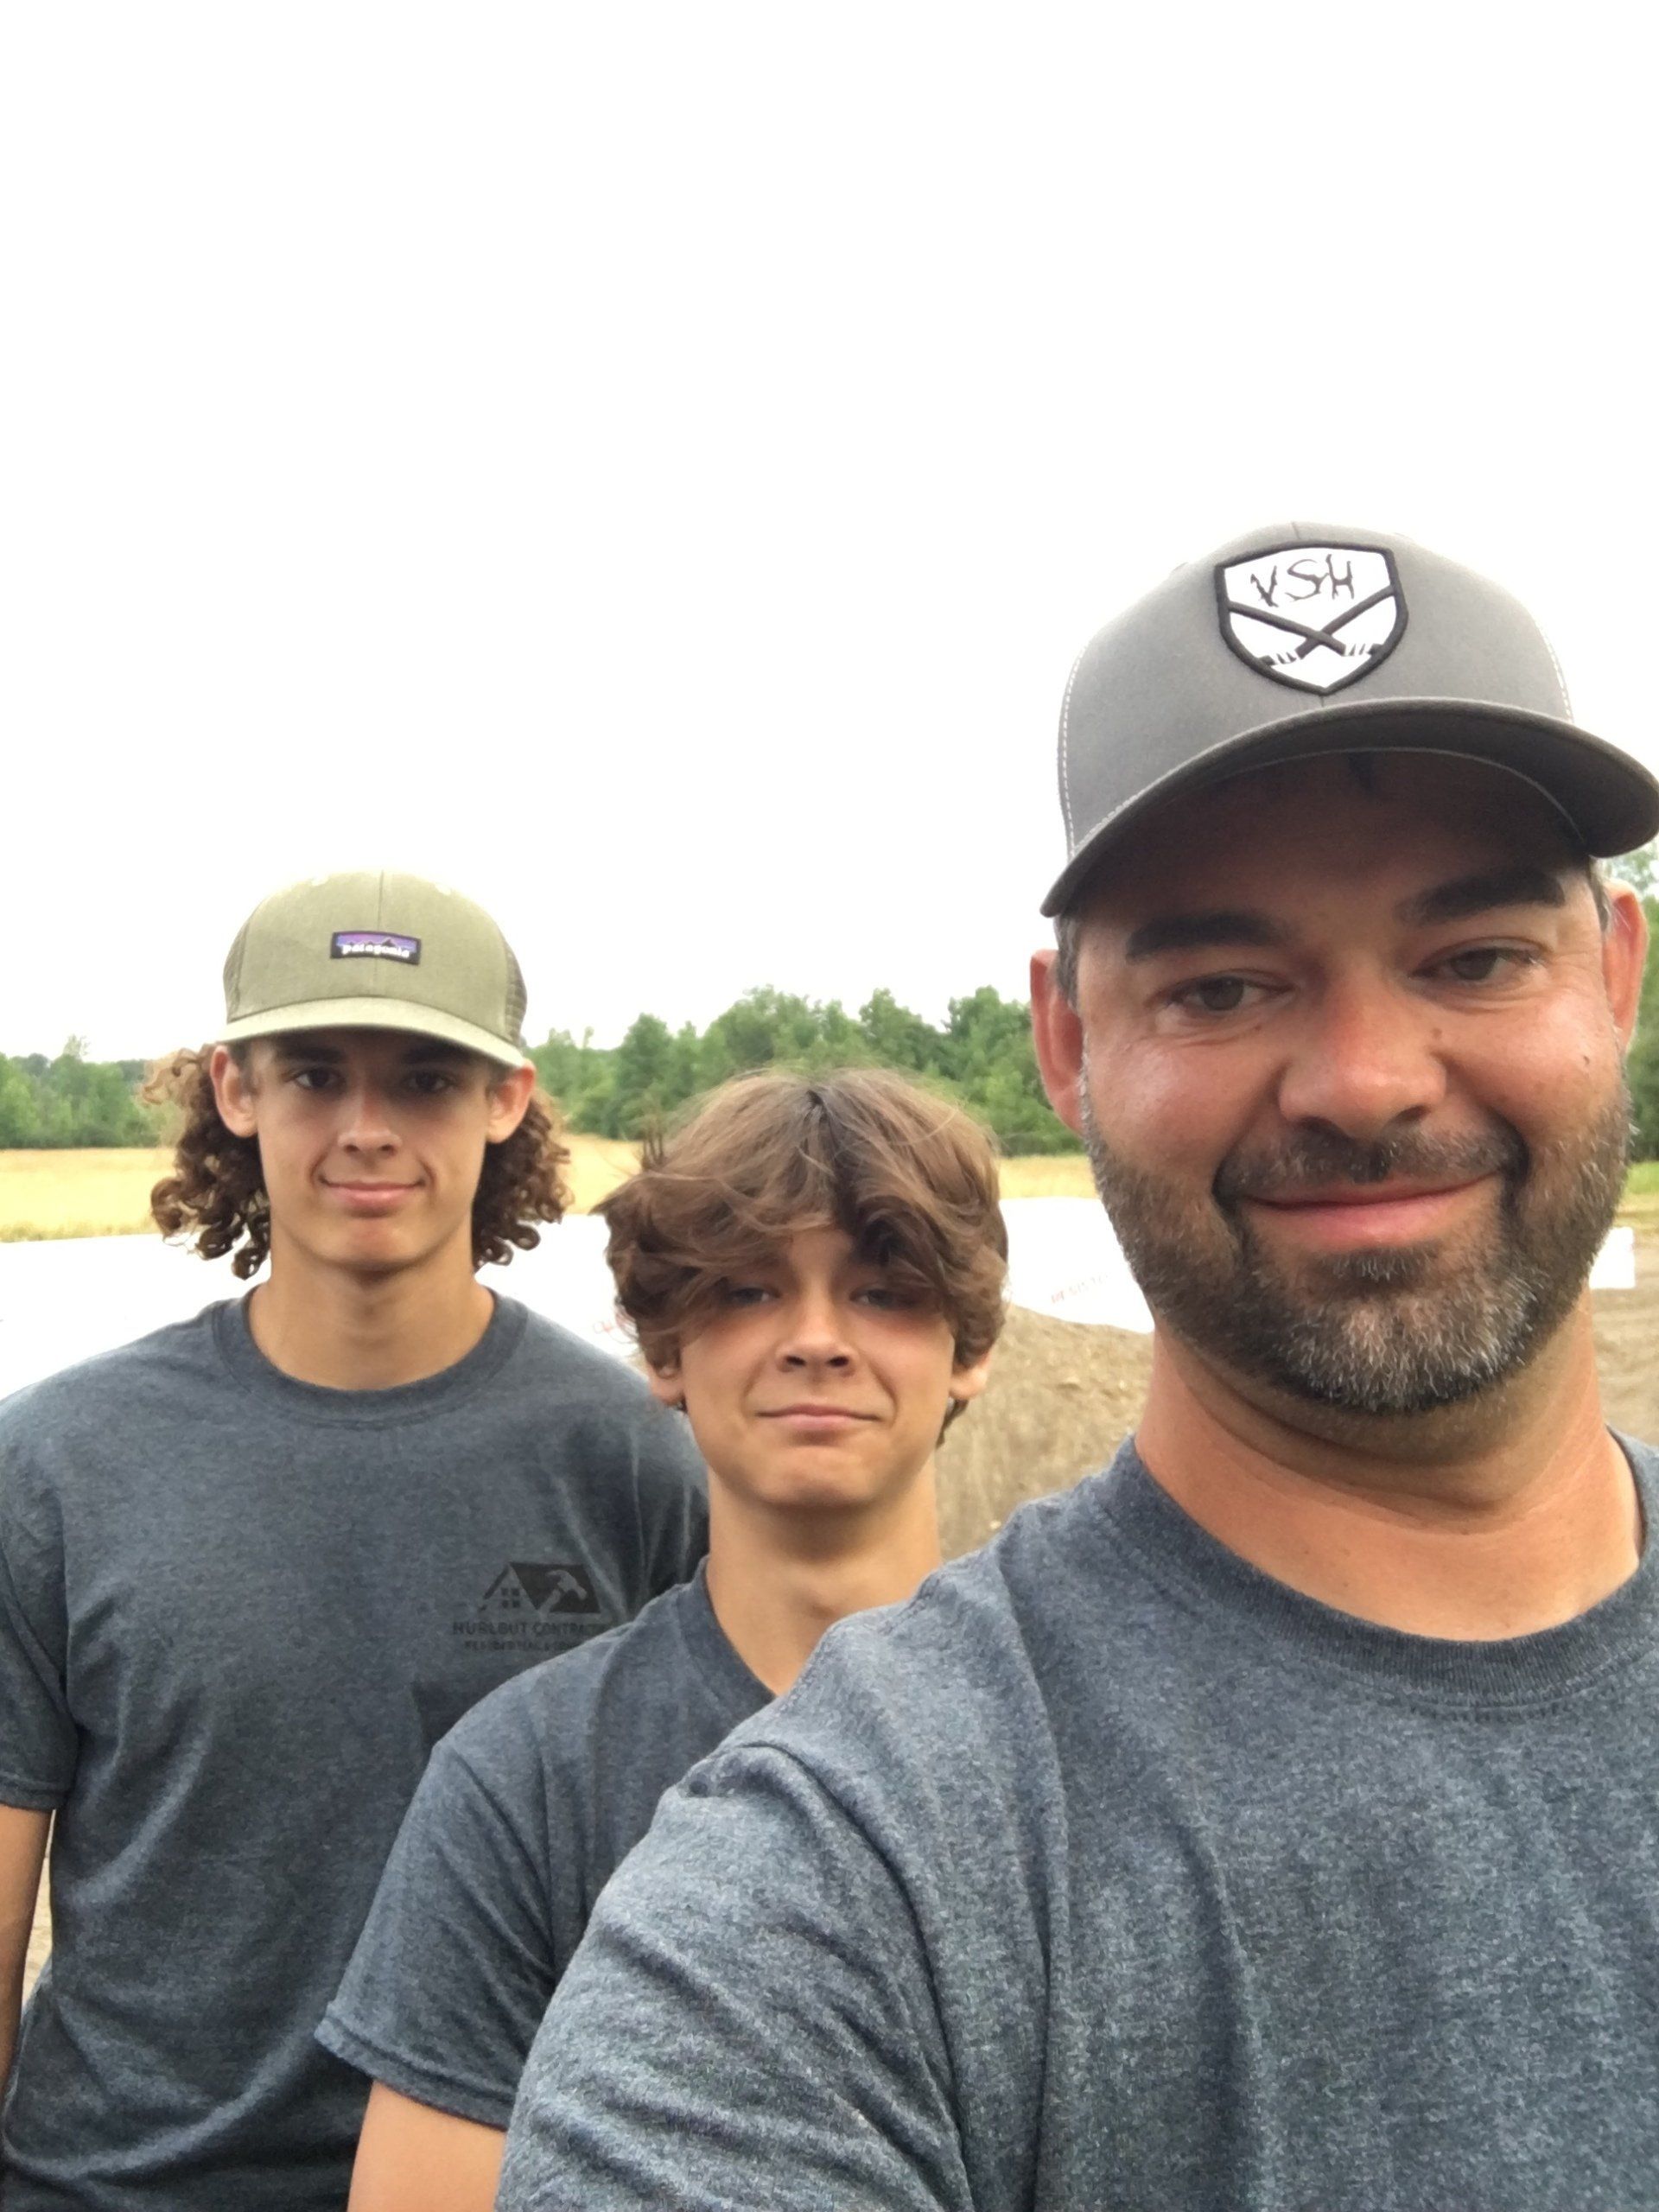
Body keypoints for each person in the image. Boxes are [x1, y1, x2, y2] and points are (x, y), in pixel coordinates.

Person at [496, 526, 1659, 2211]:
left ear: (1617, 974)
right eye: (1224, 981)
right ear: (1065, 1042)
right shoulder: (840, 1879)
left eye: (1473, 956)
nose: (1363, 1077)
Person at [0, 870, 707, 2210]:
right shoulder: (50, 1465)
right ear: (235, 1090)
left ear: (507, 1099)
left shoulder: (634, 1462)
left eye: (427, 1079)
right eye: (316, 1074)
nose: (367, 1130)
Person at [316, 1068, 1007, 2209]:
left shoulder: (1094, 1735)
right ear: (666, 1354)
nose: (817, 1341)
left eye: (884, 1293)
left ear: (970, 1348)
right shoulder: (525, 1779)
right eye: (747, 1293)